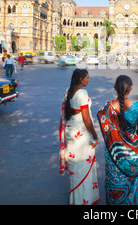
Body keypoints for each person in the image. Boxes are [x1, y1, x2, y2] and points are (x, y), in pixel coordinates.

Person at [97, 75, 138, 205]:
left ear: (115, 88)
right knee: (132, 181)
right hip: (131, 152)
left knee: (114, 182)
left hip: (113, 154)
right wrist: (132, 142)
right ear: (130, 89)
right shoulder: (137, 107)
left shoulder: (107, 107)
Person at [59, 69, 99, 205]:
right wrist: (95, 135)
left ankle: (76, 199)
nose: (88, 80)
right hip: (81, 136)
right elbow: (86, 119)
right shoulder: (82, 93)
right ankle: (85, 201)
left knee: (75, 169)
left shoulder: (67, 91)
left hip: (71, 133)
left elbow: (67, 113)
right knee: (83, 169)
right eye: (87, 78)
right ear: (81, 79)